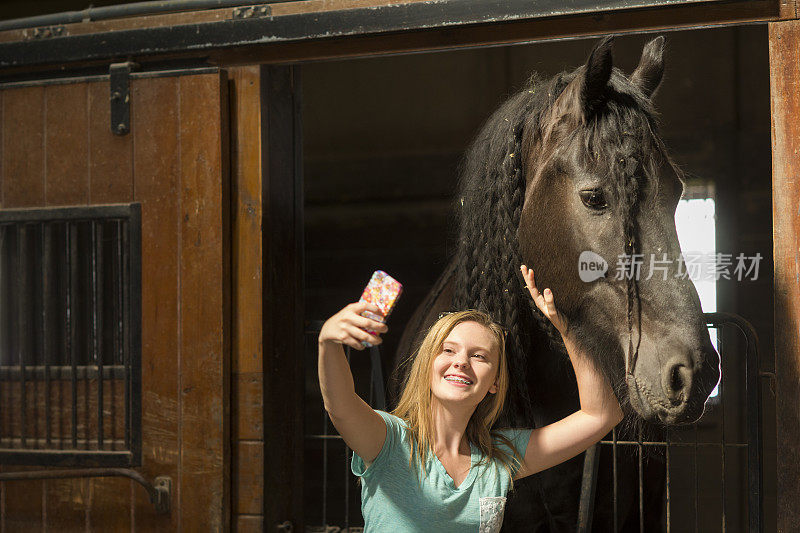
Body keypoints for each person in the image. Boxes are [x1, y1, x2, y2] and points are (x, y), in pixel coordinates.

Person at [317, 264, 623, 532]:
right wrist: (328, 343)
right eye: (448, 350)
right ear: (428, 366)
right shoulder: (389, 442)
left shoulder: (500, 458)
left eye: (479, 356)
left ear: (494, 382)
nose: (461, 362)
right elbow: (340, 406)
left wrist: (567, 328)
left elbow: (601, 415)